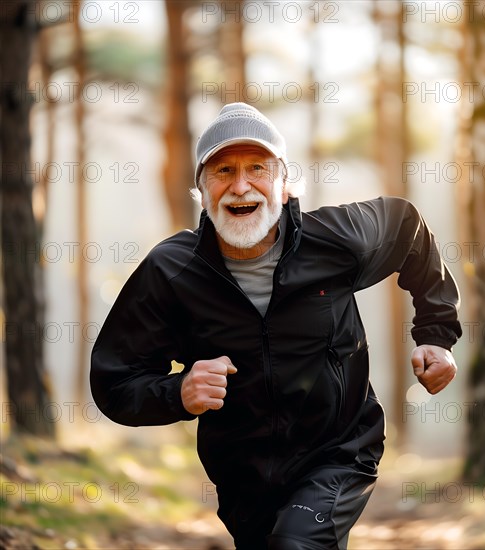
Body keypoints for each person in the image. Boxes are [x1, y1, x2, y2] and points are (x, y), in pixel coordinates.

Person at [90, 102, 462, 550]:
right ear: (202, 192)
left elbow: (409, 230)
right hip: (241, 474)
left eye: (258, 168)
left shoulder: (338, 240)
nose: (241, 185)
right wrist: (179, 392)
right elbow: (114, 383)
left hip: (340, 450)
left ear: (284, 185)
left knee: (295, 544)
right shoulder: (170, 272)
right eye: (223, 170)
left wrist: (437, 336)